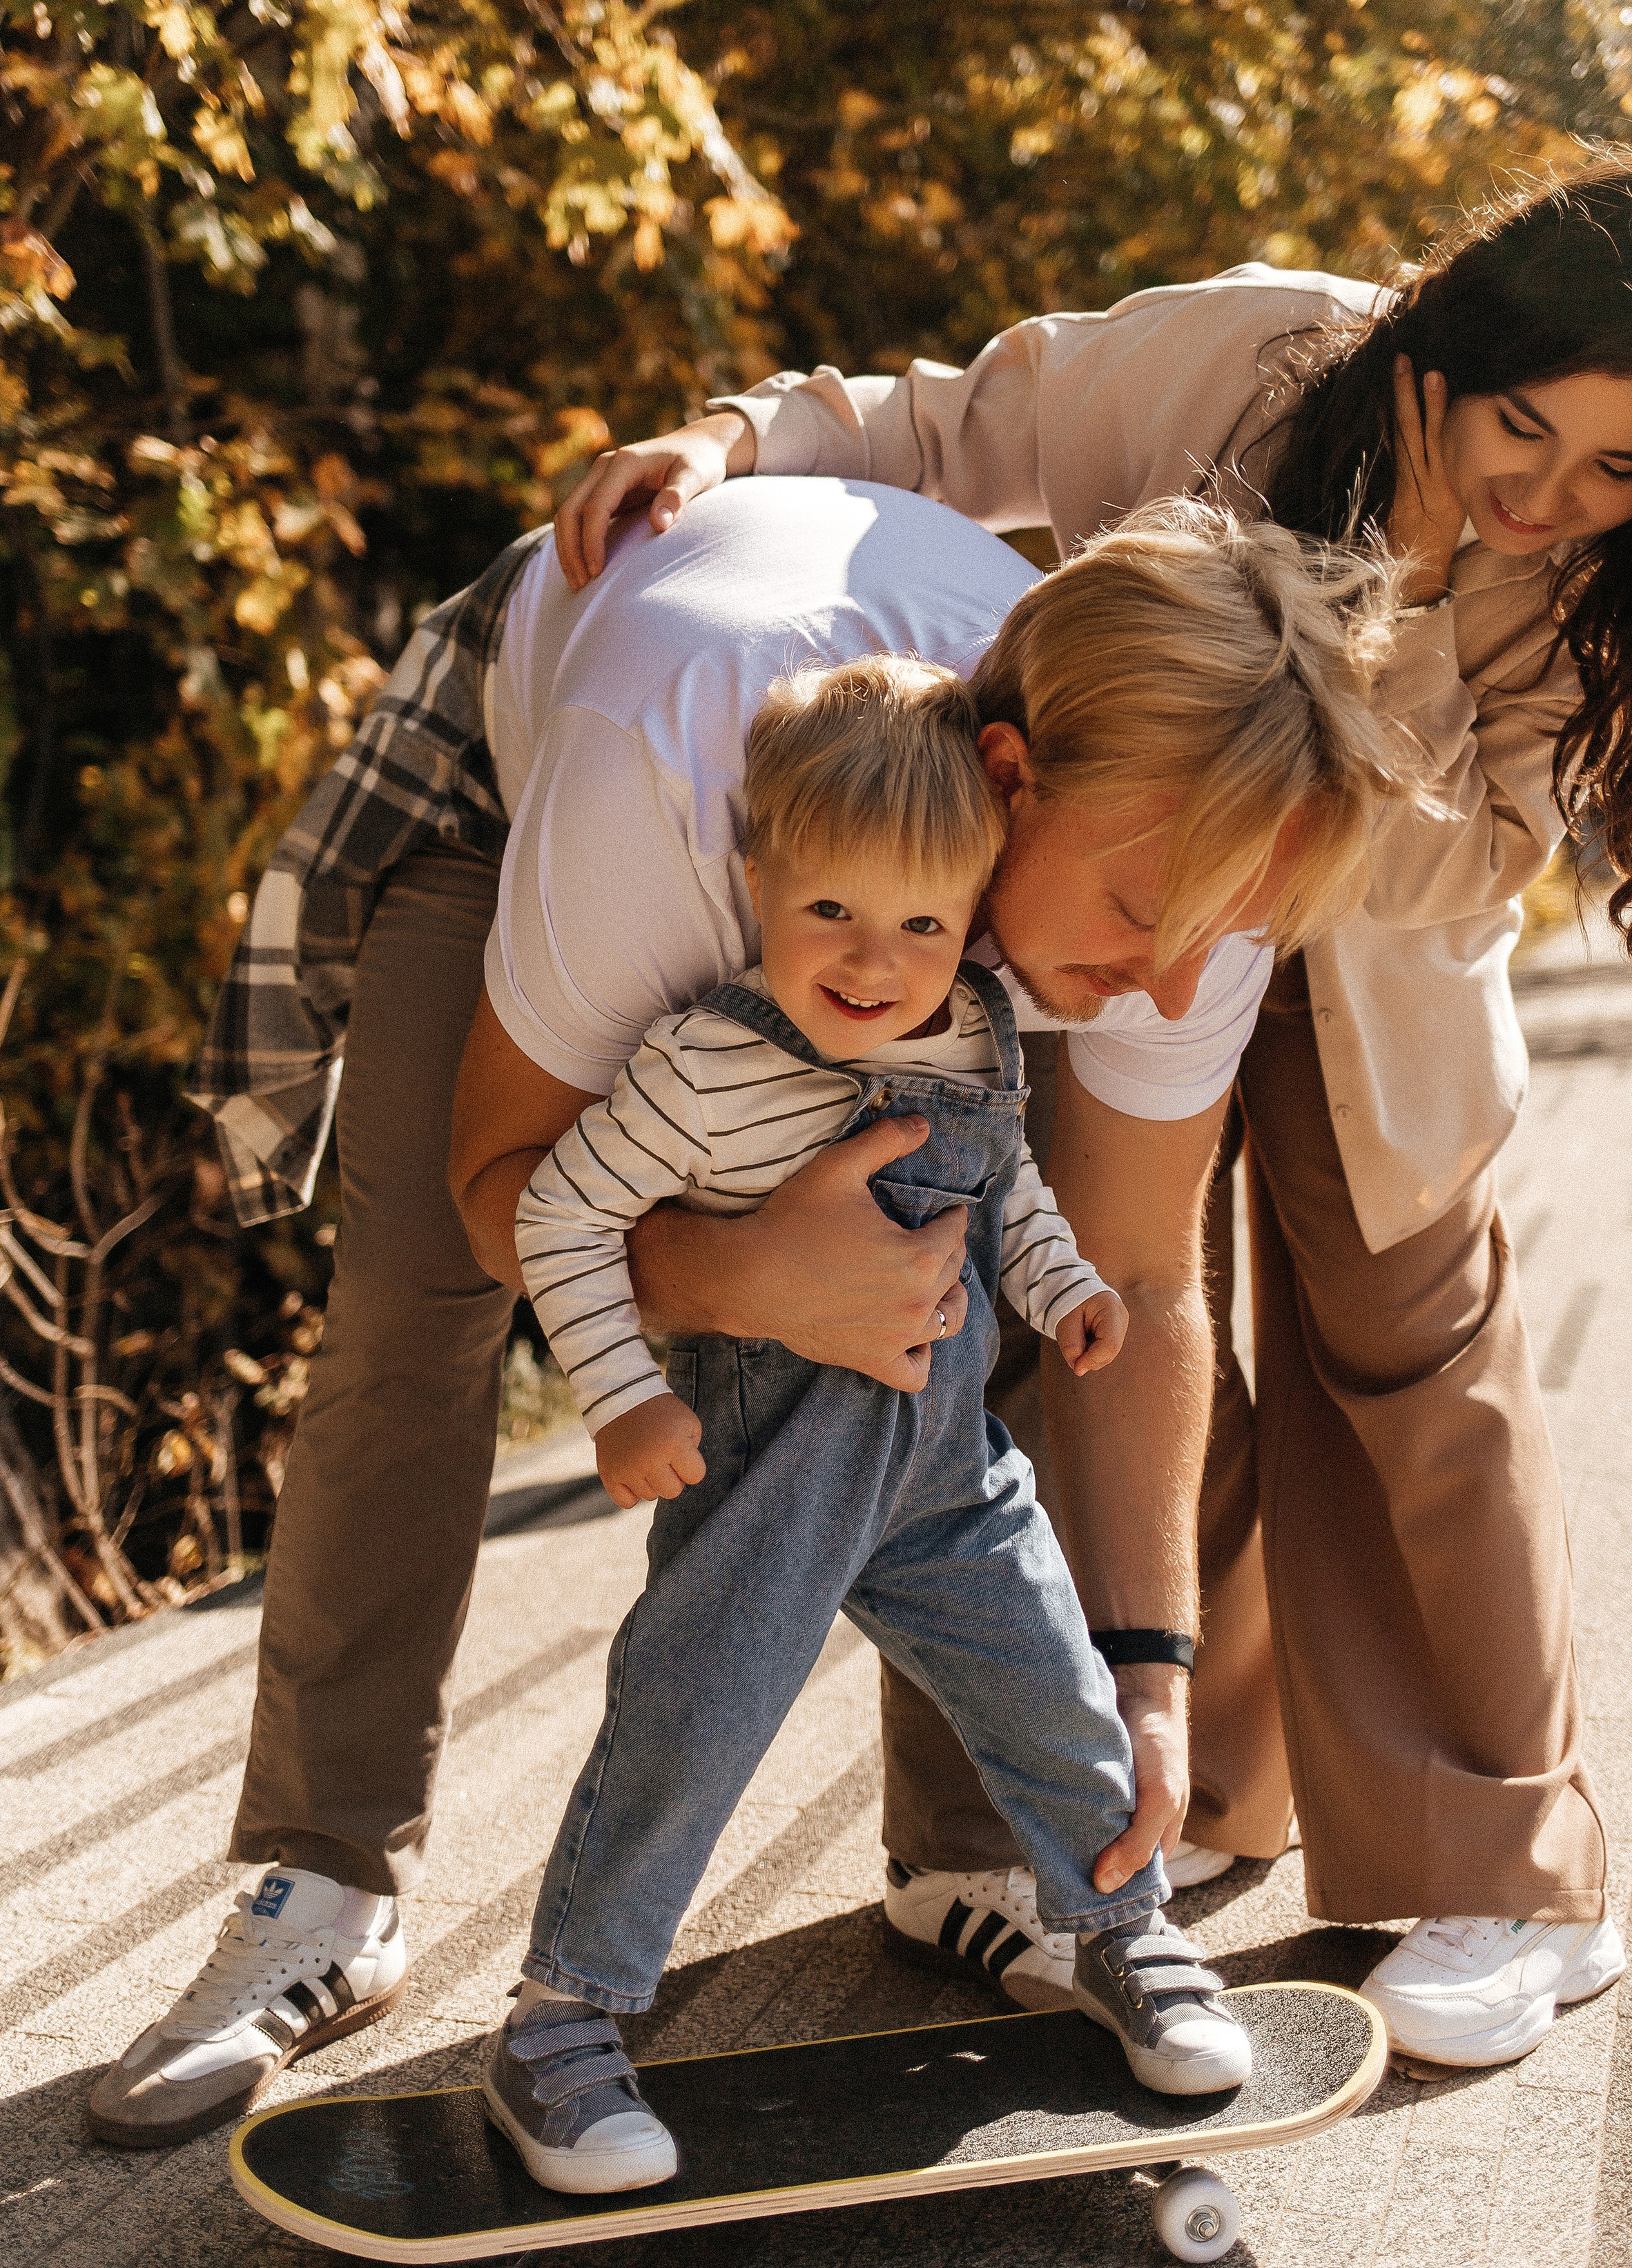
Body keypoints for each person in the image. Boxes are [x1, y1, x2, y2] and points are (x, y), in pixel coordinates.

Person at [87, 476, 1407, 2146]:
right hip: (534, 779)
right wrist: (730, 1278)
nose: (1166, 985)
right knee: (418, 1299)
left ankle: (971, 1863)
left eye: (1224, 937)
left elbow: (1138, 1274)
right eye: (1146, 918)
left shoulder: (1192, 875)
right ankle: (322, 1885)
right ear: (1010, 781)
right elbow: (506, 1177)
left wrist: (1148, 1671)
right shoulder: (665, 756)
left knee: (961, 1276)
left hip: (891, 899)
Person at [554, 159, 1632, 2069]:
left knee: (1405, 1353)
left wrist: (1411, 599)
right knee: (1075, 1322)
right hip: (1097, 918)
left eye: (1614, 469)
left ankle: (1509, 1867)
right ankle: (1104, 1805)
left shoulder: (1569, 583)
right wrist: (731, 435)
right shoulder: (1253, 357)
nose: (1550, 494)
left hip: (1370, 978)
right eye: (1520, 430)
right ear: (1448, 354)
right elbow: (957, 418)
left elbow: (1478, 856)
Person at [487, 650, 1257, 2200]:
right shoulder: (704, 1067)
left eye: (921, 923)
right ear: (757, 881)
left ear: (970, 915)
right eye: (829, 907)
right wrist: (622, 1396)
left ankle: (1120, 1928)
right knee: (688, 1722)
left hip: (949, 1476)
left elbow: (1007, 1188)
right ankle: (563, 2021)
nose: (871, 959)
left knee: (1056, 1691)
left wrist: (1061, 1286)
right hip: (768, 1472)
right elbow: (559, 1215)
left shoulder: (974, 1028)